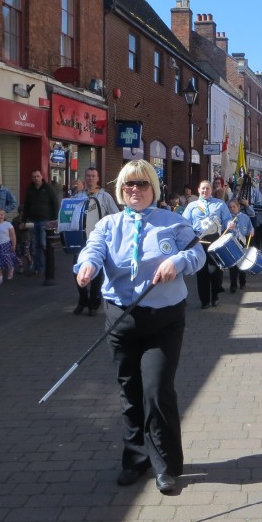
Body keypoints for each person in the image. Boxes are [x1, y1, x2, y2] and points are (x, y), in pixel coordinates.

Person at [74, 159, 204, 494]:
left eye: (142, 184)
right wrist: (86, 266)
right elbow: (93, 249)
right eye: (129, 184)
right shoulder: (108, 225)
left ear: (153, 188)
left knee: (157, 390)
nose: (135, 190)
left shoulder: (173, 222)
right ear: (121, 189)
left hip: (164, 318)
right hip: (122, 318)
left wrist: (177, 261)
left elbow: (197, 254)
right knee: (130, 392)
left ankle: (166, 465)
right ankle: (135, 458)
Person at [75, 167, 120, 316]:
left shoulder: (104, 196)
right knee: (79, 269)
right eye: (87, 176)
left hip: (99, 240)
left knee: (96, 272)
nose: (90, 178)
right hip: (81, 239)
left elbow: (115, 216)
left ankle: (94, 303)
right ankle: (82, 300)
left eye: (93, 176)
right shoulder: (78, 196)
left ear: (98, 178)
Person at [181, 179, 232, 308]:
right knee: (202, 272)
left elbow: (227, 219)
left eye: (207, 188)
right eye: (202, 188)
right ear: (198, 190)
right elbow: (184, 223)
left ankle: (215, 295)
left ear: (211, 190)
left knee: (217, 270)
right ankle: (205, 300)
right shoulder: (192, 206)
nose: (205, 191)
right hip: (199, 241)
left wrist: (230, 224)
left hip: (215, 240)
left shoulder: (219, 204)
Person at [20, 169, 59, 278]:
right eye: (34, 177)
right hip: (32, 220)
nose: (36, 178)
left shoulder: (48, 188)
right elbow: (26, 206)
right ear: (32, 178)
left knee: (43, 243)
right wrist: (24, 220)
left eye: (38, 176)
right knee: (35, 245)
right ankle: (38, 268)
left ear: (41, 176)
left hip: (45, 220)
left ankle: (51, 264)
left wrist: (54, 219)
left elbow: (55, 203)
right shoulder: (30, 190)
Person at [226, 198, 254, 293]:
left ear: (239, 207)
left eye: (234, 207)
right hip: (231, 242)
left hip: (242, 242)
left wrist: (251, 231)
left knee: (242, 264)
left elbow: (250, 227)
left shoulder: (245, 217)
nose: (232, 209)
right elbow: (222, 229)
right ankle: (233, 285)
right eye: (230, 207)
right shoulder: (227, 218)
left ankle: (243, 282)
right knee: (233, 265)